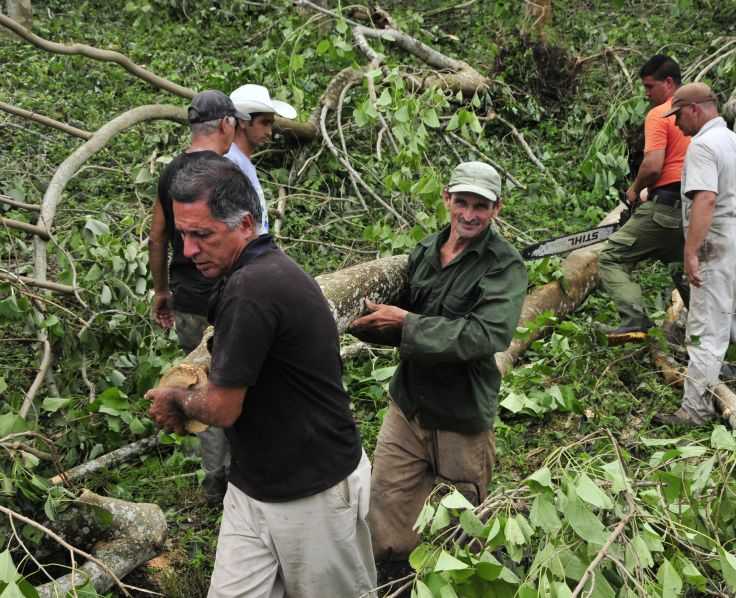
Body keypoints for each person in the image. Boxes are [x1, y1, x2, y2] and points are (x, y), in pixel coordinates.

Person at [146, 155, 376, 597]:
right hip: (255, 485)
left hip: (314, 492)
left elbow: (221, 407)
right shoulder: (252, 274)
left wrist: (177, 401)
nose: (189, 251)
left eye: (203, 235)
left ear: (246, 225)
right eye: (182, 235)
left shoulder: (253, 289)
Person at [349, 161, 528, 571]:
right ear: (446, 199)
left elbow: (485, 336)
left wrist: (404, 322)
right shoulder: (426, 251)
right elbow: (407, 322)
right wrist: (363, 325)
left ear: (496, 208)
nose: (468, 214)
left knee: (459, 523)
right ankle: (393, 583)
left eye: (479, 206)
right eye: (461, 202)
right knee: (386, 507)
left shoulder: (504, 266)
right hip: (408, 405)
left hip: (460, 416)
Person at [652, 82, 736, 426]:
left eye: (678, 115)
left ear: (695, 109)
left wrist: (691, 252)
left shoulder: (704, 146)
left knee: (707, 331)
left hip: (721, 243)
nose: (676, 123)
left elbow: (705, 198)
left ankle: (694, 411)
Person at [149, 89, 249, 501]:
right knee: (238, 380)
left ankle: (214, 478)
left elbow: (157, 237)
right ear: (226, 124)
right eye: (236, 124)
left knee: (198, 383)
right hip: (228, 297)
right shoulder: (227, 174)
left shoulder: (172, 173)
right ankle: (237, 474)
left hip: (188, 297)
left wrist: (161, 289)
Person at [597, 55, 692, 342]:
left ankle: (634, 319)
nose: (646, 93)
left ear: (669, 83)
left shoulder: (660, 114)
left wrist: (634, 189)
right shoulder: (698, 115)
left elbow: (652, 165)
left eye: (650, 87)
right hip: (693, 210)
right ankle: (712, 335)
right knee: (683, 272)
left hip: (666, 207)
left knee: (612, 257)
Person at [225, 84, 298, 233]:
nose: (269, 132)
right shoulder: (231, 162)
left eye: (271, 124)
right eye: (264, 123)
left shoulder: (242, 161)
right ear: (243, 121)